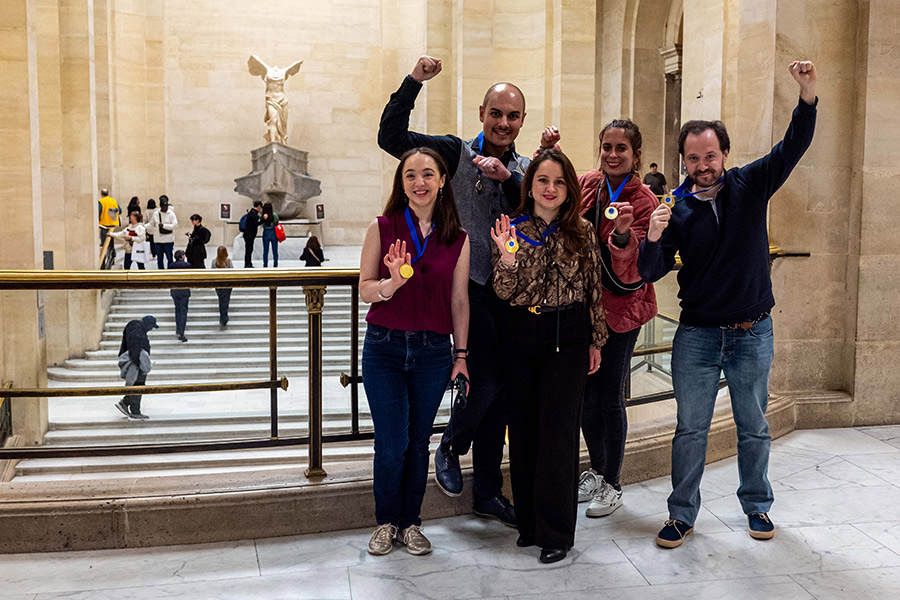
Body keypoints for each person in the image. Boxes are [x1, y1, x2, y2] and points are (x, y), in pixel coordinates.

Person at [638, 60, 818, 549]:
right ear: (683, 161)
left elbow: (792, 148)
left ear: (724, 154)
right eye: (693, 158)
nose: (703, 165)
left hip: (752, 330)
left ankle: (757, 506)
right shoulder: (674, 207)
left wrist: (806, 97)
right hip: (696, 335)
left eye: (710, 155)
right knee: (690, 429)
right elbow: (650, 272)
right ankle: (681, 515)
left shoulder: (750, 184)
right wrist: (653, 236)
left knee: (753, 427)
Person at [378, 54, 529, 527]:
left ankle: (487, 492)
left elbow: (555, 202)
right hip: (468, 290)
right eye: (496, 113)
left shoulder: (527, 167)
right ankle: (450, 444)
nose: (503, 123)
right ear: (482, 114)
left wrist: (514, 181)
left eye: (513, 115)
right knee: (486, 382)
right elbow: (392, 138)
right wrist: (413, 82)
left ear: (522, 121)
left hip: (516, 294)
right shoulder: (454, 152)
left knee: (501, 397)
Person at [490, 149, 607, 564]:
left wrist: (596, 340)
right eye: (543, 181)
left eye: (559, 182)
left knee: (558, 433)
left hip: (570, 335)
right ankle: (529, 524)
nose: (551, 189)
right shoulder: (512, 229)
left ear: (569, 188)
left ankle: (556, 531)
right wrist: (506, 258)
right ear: (530, 185)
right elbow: (506, 293)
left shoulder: (582, 231)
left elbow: (594, 289)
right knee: (522, 430)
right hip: (523, 335)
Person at [540, 121, 659, 517]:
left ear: (635, 155)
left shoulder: (643, 201)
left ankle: (614, 482)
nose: (612, 154)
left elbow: (634, 270)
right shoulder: (589, 182)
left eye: (621, 148)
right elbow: (552, 189)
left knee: (610, 395)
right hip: (585, 307)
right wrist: (548, 150)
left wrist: (623, 237)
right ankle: (595, 469)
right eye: (607, 146)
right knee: (587, 395)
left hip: (622, 312)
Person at [360, 147, 470, 557]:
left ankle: (411, 523)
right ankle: (386, 521)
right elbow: (365, 290)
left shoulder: (457, 239)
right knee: (391, 442)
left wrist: (461, 355)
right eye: (410, 175)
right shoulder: (383, 226)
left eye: (428, 174)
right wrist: (391, 284)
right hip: (385, 347)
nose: (419, 183)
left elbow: (460, 301)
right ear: (401, 183)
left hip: (432, 352)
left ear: (442, 181)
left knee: (419, 440)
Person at [115, 315, 158, 420]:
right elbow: (135, 347)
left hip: (137, 362)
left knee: (138, 385)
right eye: (151, 326)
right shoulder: (135, 328)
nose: (151, 329)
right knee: (137, 384)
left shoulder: (136, 327)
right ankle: (134, 409)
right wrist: (140, 365)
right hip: (135, 362)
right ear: (147, 324)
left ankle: (127, 404)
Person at [169, 249, 192, 342]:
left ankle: (178, 329)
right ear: (182, 256)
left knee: (177, 310)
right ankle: (181, 332)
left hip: (175, 290)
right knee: (183, 311)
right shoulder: (187, 265)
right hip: (184, 291)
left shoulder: (171, 266)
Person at [152, 195, 178, 269]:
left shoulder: (171, 214)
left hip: (168, 241)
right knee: (160, 259)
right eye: (163, 206)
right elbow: (151, 224)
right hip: (158, 241)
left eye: (166, 206)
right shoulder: (156, 213)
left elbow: (175, 225)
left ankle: (170, 272)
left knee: (170, 258)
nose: (165, 208)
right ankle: (161, 273)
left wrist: (164, 226)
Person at [212, 246, 233, 328]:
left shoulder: (214, 262)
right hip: (227, 284)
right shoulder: (228, 262)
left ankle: (223, 316)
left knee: (221, 300)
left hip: (218, 284)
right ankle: (224, 316)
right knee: (226, 300)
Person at [242, 201, 263, 268]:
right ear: (259, 206)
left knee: (249, 249)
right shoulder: (253, 213)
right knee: (249, 249)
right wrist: (264, 220)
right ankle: (247, 263)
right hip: (249, 234)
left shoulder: (252, 213)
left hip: (248, 234)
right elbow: (255, 223)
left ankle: (248, 263)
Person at [261, 202, 280, 267]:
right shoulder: (274, 215)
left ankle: (265, 264)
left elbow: (260, 221)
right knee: (275, 250)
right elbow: (277, 222)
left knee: (265, 250)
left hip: (266, 232)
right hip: (273, 232)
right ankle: (275, 263)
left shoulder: (263, 215)